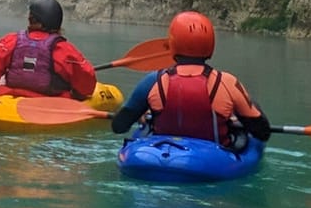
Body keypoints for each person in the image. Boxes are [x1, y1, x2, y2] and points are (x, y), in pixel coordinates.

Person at [110, 11, 271, 149]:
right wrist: (239, 116)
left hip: (160, 156)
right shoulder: (227, 82)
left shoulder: (153, 81)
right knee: (251, 106)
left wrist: (142, 113)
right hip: (213, 161)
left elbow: (119, 126)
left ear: (173, 43)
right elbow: (262, 132)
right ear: (210, 43)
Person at [0, 0, 97, 101]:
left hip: (11, 99)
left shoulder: (10, 41)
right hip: (51, 103)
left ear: (31, 20)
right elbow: (86, 87)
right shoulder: (64, 50)